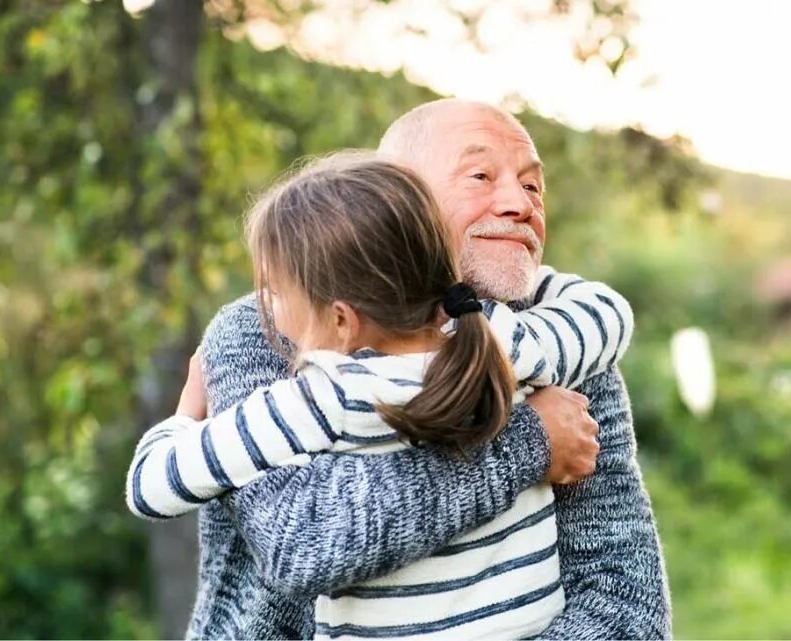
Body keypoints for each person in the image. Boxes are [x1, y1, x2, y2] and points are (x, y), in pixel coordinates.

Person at [187, 99, 671, 639]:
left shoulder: (563, 348)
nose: (519, 203)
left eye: (533, 186)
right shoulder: (269, 329)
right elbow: (299, 540)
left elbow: (625, 606)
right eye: (480, 176)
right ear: (396, 197)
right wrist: (530, 441)